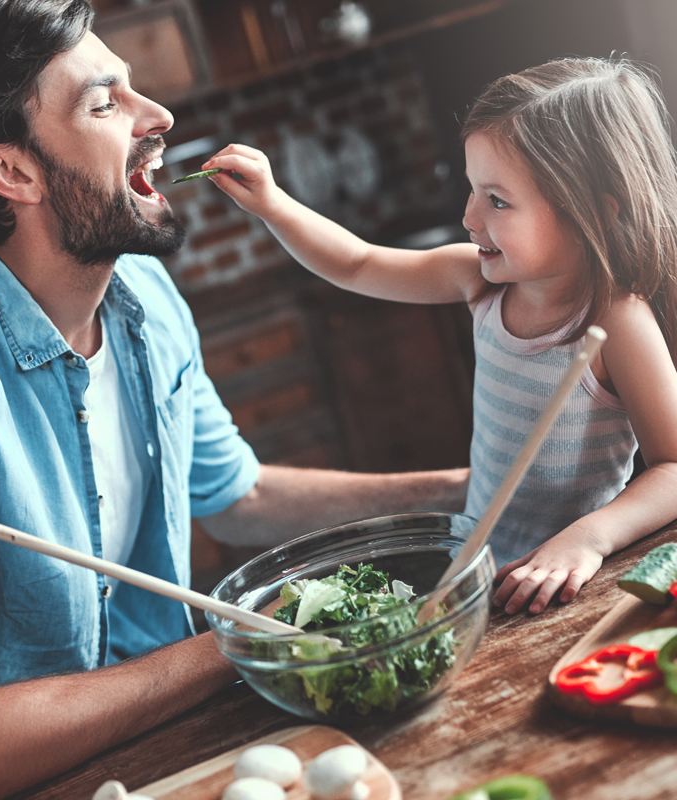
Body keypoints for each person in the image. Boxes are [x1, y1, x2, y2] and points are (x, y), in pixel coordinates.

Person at [0, 0, 469, 797]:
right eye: (103, 102)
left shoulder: (143, 297)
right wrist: (238, 641)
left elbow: (236, 496)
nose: (156, 116)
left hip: (169, 752)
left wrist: (469, 494)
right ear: (12, 171)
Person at [203, 58, 677, 618]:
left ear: (592, 214)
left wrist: (589, 539)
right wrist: (273, 206)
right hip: (477, 574)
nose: (470, 217)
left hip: (566, 589)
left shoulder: (615, 320)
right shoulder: (478, 280)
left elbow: (672, 468)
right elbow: (356, 264)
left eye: (497, 200)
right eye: (473, 189)